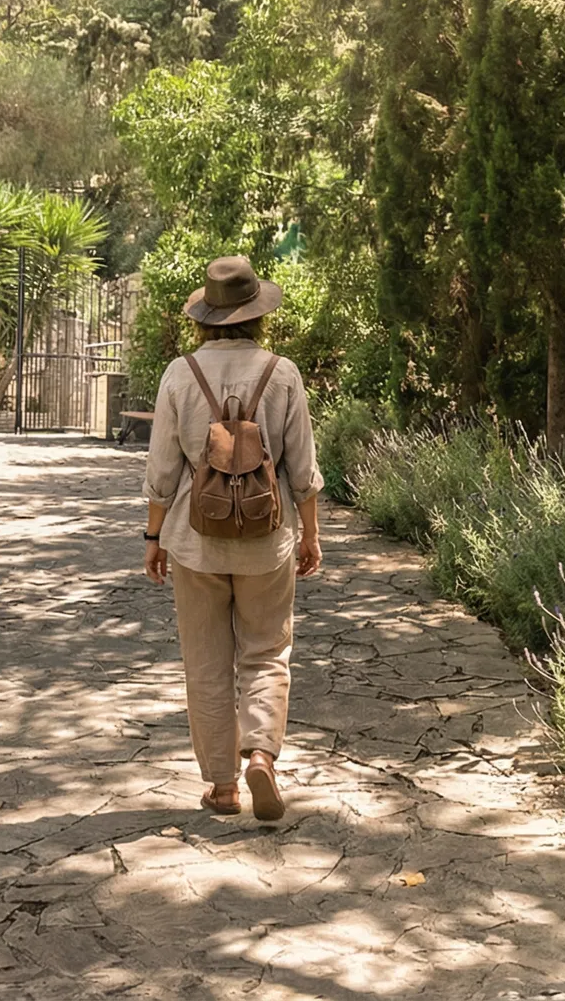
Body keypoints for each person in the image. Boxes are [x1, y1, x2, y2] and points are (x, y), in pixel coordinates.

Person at [141, 255, 324, 820]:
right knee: (267, 651)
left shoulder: (179, 373)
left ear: (206, 316)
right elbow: (303, 468)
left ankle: (222, 787)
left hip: (196, 540)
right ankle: (262, 755)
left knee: (206, 660)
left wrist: (154, 537)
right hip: (267, 540)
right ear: (257, 315)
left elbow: (162, 468)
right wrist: (309, 535)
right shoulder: (284, 372)